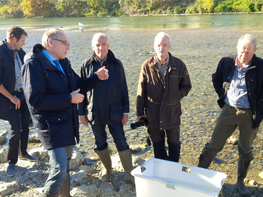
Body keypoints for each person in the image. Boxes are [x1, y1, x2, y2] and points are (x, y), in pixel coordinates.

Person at [21, 28, 108, 197]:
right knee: (59, 169)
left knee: (65, 166)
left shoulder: (63, 62)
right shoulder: (33, 64)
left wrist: (97, 77)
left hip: (67, 122)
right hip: (51, 126)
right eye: (65, 43)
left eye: (68, 43)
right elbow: (35, 100)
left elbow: (78, 85)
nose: (68, 47)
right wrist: (69, 98)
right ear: (51, 42)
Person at [197, 34, 263, 197]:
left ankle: (240, 183)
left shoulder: (260, 65)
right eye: (241, 51)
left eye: (248, 52)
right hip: (228, 110)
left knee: (246, 150)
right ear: (237, 48)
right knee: (214, 145)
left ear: (255, 50)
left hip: (250, 114)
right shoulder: (226, 62)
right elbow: (216, 79)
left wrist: (259, 111)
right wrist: (223, 97)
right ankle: (198, 175)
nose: (243, 55)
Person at [78, 33, 133, 184]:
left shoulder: (117, 64)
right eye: (97, 44)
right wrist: (81, 114)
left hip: (115, 112)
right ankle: (107, 169)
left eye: (103, 44)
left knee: (121, 141)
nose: (100, 47)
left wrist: (125, 111)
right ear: (92, 46)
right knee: (100, 142)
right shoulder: (86, 65)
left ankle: (129, 173)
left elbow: (123, 89)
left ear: (108, 46)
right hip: (94, 113)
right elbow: (81, 90)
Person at [136, 32, 191, 162]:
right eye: (159, 45)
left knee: (174, 146)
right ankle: (162, 175)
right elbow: (141, 91)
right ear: (154, 47)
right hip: (153, 115)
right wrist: (140, 113)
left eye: (164, 45)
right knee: (158, 147)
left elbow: (187, 86)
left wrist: (175, 96)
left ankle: (173, 174)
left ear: (169, 46)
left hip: (173, 114)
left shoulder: (179, 65)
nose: (162, 48)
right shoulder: (146, 65)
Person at [0, 26, 37, 177]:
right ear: (13, 39)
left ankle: (24, 152)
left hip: (23, 96)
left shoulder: (20, 52)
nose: (23, 44)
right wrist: (11, 97)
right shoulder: (0, 52)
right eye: (22, 41)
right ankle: (11, 162)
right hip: (8, 98)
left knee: (25, 126)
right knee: (15, 129)